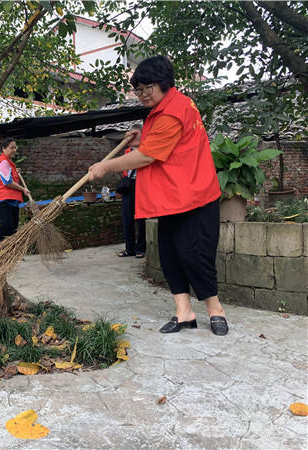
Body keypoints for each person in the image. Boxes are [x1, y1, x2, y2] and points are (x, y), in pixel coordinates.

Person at [88, 56, 228, 336]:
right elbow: (164, 144)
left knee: (195, 254)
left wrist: (106, 166)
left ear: (163, 83)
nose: (141, 95)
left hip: (194, 195)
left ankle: (215, 310)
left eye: (146, 88)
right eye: (138, 90)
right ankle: (184, 313)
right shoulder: (166, 107)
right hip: (173, 197)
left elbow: (149, 156)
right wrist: (141, 137)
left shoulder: (173, 111)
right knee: (170, 254)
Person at [0, 138, 30, 241]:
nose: (14, 150)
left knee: (13, 227)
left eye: (15, 147)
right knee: (7, 225)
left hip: (12, 199)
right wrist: (23, 189)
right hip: (3, 199)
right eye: (11, 147)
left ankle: (10, 252)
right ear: (3, 148)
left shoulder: (8, 162)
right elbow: (8, 182)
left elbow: (9, 175)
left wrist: (15, 170)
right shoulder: (3, 161)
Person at [118, 123, 146, 258]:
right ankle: (129, 249)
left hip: (142, 186)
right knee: (127, 218)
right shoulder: (127, 151)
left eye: (136, 134)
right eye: (131, 134)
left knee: (141, 219)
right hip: (129, 186)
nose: (132, 137)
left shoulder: (146, 151)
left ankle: (141, 249)